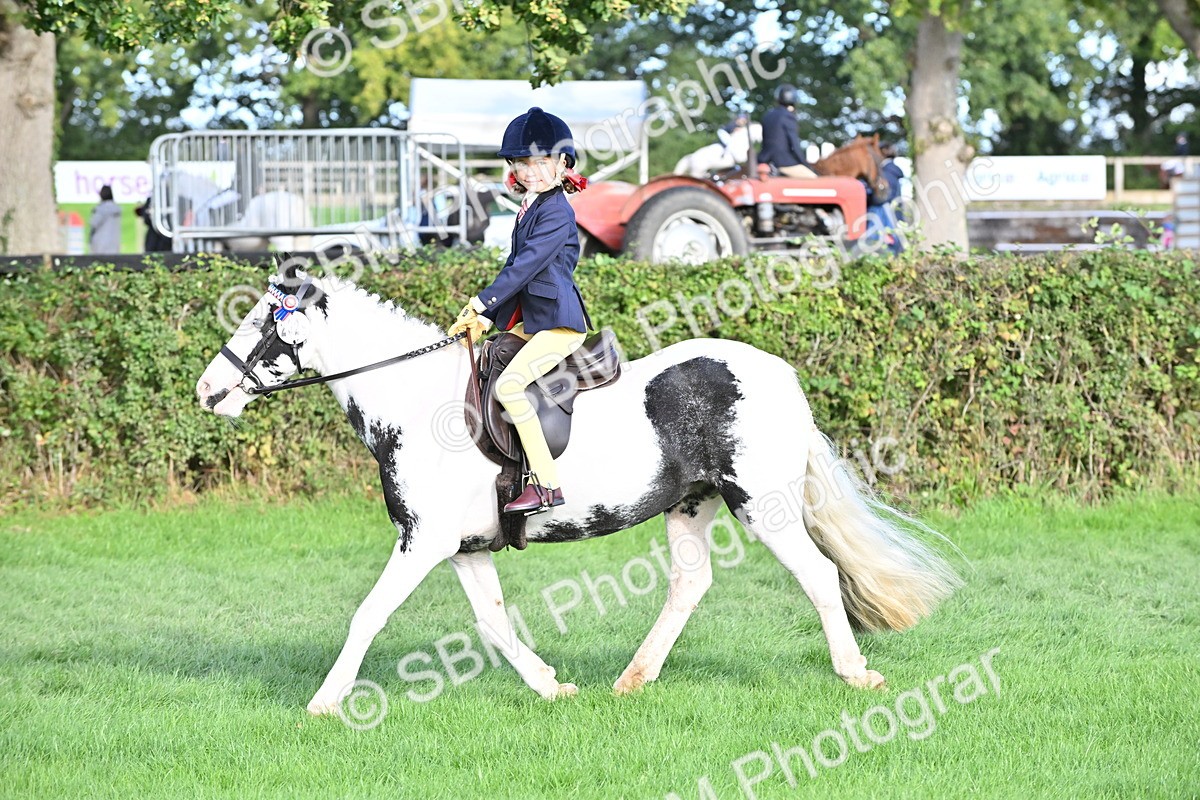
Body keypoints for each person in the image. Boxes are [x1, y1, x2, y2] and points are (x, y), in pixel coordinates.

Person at [448, 107, 592, 515]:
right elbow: (515, 270)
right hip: (536, 320)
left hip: (560, 324)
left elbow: (525, 267)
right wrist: (484, 319)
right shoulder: (532, 205)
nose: (530, 171)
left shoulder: (557, 211)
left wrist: (480, 302)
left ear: (562, 163)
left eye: (541, 162)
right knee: (482, 359)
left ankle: (547, 486)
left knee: (509, 387)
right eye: (522, 163)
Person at [758, 84, 817, 178]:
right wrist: (806, 165)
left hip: (765, 161)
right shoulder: (788, 116)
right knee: (814, 179)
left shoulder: (768, 115)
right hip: (783, 162)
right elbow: (794, 145)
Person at [88, 185, 121, 255]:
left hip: (100, 243)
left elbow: (94, 223)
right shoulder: (116, 209)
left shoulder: (100, 209)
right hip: (113, 243)